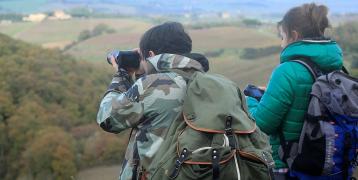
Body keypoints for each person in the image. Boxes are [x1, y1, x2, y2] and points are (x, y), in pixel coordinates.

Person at [96, 22, 209, 180]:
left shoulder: (152, 85)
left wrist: (122, 75)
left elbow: (106, 118)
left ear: (150, 55)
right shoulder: (210, 82)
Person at [245, 3, 343, 179]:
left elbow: (262, 124)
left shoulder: (287, 71)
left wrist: (249, 100)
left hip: (290, 167)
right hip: (332, 166)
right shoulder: (338, 68)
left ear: (294, 36)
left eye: (282, 36)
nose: (281, 43)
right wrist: (271, 94)